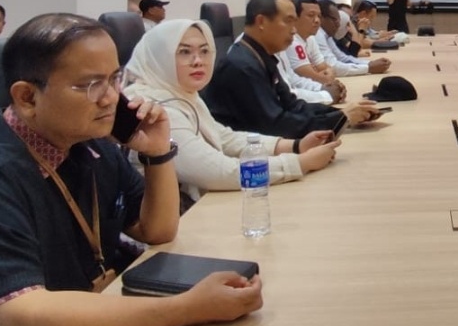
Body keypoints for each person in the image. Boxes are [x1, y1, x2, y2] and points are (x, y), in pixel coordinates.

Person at [0, 13, 262, 326]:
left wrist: (157, 153)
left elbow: (156, 228)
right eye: (89, 85)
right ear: (27, 97)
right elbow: (19, 321)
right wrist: (188, 309)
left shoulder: (91, 144)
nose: (111, 98)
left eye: (114, 79)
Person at [124, 19, 340, 207]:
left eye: (204, 51)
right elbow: (217, 172)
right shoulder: (156, 108)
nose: (198, 60)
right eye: (184, 52)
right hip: (178, 224)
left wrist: (294, 146)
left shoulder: (181, 93)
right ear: (159, 57)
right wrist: (300, 163)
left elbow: (224, 137)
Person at [202, 0, 377, 138]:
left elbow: (292, 105)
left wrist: (340, 114)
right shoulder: (242, 65)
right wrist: (340, 119)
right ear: (261, 22)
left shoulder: (262, 55)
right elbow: (275, 125)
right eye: (288, 21)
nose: (294, 30)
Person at [315, 0, 391, 76]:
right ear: (321, 18)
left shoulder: (327, 35)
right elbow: (333, 66)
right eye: (335, 19)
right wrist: (369, 68)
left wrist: (370, 63)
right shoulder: (318, 35)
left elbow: (342, 58)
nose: (338, 24)